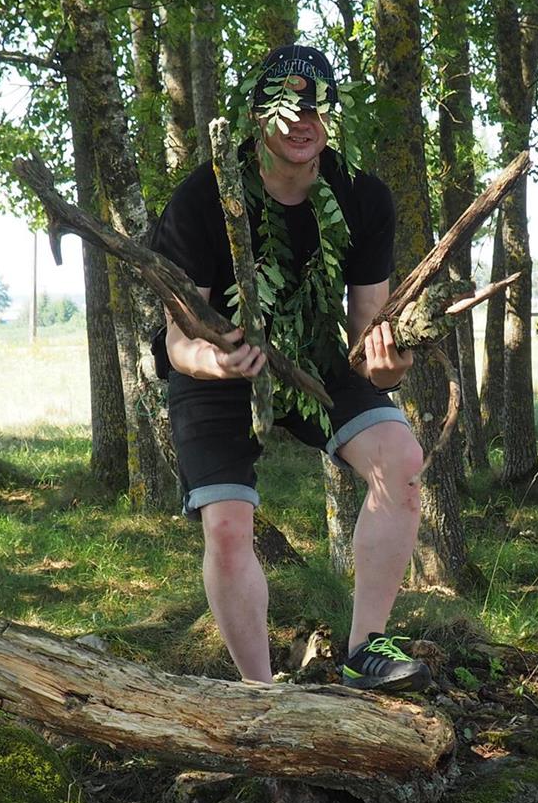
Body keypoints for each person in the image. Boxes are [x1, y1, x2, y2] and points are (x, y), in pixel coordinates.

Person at [148, 44, 431, 693]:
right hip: (217, 363)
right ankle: (261, 694)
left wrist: (389, 368)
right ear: (256, 116)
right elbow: (177, 340)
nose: (304, 121)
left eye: (318, 108)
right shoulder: (201, 198)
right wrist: (217, 359)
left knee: (401, 458)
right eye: (287, 107)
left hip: (313, 354)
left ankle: (366, 652)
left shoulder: (362, 196)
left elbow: (368, 335)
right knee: (227, 528)